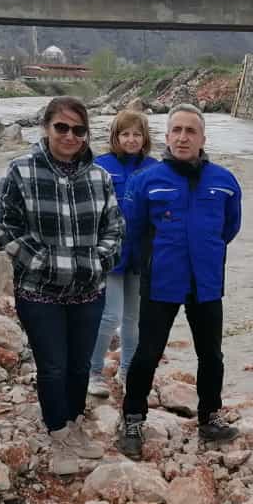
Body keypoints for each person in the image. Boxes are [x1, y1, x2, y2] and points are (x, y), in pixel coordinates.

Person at [0, 97, 122, 474]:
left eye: (78, 130)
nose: (69, 136)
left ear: (86, 135)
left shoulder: (100, 177)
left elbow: (115, 229)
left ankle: (74, 423)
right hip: (39, 292)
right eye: (61, 127)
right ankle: (58, 435)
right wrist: (43, 263)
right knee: (53, 366)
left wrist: (98, 261)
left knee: (80, 364)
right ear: (46, 128)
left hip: (88, 292)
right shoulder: (21, 171)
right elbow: (3, 225)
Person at [118, 104, 241, 460]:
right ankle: (133, 419)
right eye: (177, 131)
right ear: (167, 136)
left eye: (191, 131)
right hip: (161, 281)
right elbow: (135, 229)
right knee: (147, 354)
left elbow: (229, 228)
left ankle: (209, 417)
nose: (183, 137)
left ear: (203, 138)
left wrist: (205, 252)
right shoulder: (146, 181)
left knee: (211, 355)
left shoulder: (225, 182)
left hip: (206, 281)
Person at [87, 109, 158, 398]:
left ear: (145, 138)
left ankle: (127, 370)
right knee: (109, 316)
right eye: (125, 134)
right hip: (109, 254)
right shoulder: (99, 165)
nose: (131, 139)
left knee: (134, 320)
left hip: (140, 256)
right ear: (115, 137)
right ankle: (92, 371)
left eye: (136, 134)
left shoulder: (154, 168)